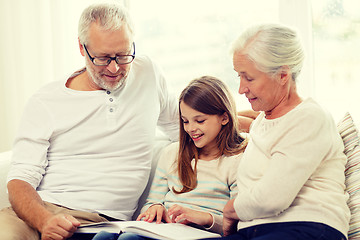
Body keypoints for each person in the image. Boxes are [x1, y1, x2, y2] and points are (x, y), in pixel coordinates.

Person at [0, 3, 179, 240]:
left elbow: (188, 124)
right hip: (36, 214)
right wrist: (45, 221)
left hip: (99, 224)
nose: (115, 68)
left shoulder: (148, 74)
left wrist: (232, 120)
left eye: (124, 55)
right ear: (81, 48)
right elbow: (20, 180)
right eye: (103, 58)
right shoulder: (46, 100)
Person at [212, 23, 350, 240]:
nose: (241, 89)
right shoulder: (262, 121)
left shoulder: (310, 118)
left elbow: (271, 198)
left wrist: (231, 210)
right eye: (238, 76)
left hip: (306, 228)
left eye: (249, 78)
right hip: (257, 231)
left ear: (283, 75)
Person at [91, 76, 248, 240]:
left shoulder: (238, 160)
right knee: (103, 237)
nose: (191, 129)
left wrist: (204, 218)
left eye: (199, 121)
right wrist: (155, 208)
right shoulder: (172, 153)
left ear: (224, 117)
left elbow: (239, 222)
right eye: (185, 121)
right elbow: (151, 203)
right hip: (165, 232)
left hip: (203, 235)